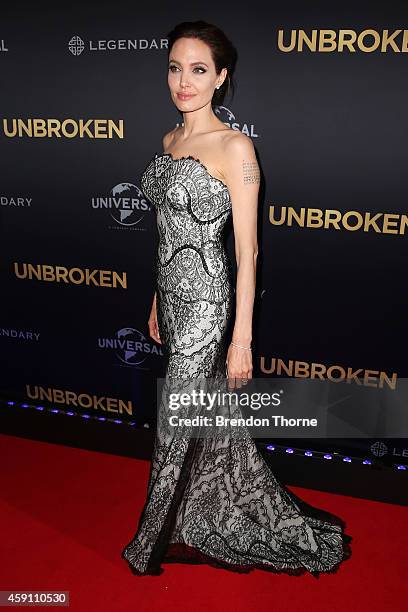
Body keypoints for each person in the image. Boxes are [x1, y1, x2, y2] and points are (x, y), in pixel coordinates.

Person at [121, 20, 352, 577]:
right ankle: (200, 516)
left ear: (221, 78)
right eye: (175, 67)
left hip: (206, 307)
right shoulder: (170, 141)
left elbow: (248, 251)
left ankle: (149, 542)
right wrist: (156, 297)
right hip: (173, 301)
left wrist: (241, 339)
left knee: (175, 419)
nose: (184, 81)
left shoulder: (234, 146)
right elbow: (169, 234)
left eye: (198, 70)